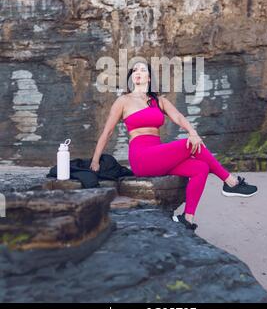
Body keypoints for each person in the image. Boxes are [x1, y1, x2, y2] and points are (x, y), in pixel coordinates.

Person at [90, 60, 257, 230]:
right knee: (188, 144)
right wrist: (95, 161)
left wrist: (193, 132)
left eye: (142, 70)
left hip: (158, 156)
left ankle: (188, 218)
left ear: (149, 77)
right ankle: (231, 182)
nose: (138, 72)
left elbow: (178, 117)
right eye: (134, 70)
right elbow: (107, 132)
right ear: (132, 77)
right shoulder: (123, 101)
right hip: (142, 157)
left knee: (200, 168)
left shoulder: (159, 101)